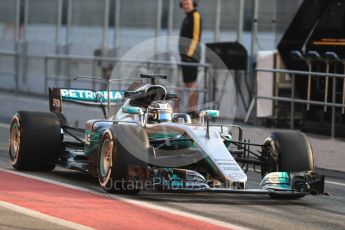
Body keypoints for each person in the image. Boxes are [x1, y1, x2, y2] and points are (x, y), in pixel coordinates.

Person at [179, 0, 202, 118]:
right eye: (183, 4)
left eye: (187, 3)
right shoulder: (187, 17)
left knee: (192, 83)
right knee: (187, 83)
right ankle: (190, 110)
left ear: (193, 4)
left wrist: (189, 54)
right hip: (184, 55)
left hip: (191, 56)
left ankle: (193, 110)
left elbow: (195, 36)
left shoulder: (195, 15)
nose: (185, 6)